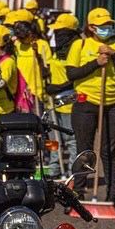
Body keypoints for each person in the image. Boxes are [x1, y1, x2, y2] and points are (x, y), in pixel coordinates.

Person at [66, 8, 115, 210]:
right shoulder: (79, 45)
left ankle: (112, 196)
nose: (106, 28)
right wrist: (95, 63)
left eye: (109, 24)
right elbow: (72, 74)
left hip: (112, 103)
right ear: (91, 26)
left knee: (109, 150)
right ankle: (77, 193)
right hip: (86, 103)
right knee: (85, 150)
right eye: (102, 25)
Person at [46, 13, 79, 178]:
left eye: (62, 33)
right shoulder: (57, 49)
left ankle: (73, 172)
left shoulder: (78, 48)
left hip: (69, 102)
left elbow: (76, 76)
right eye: (56, 33)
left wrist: (58, 88)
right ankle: (55, 167)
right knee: (54, 139)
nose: (58, 36)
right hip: (53, 102)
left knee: (71, 140)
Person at [7, 9, 51, 114]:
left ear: (30, 33)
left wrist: (37, 54)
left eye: (24, 38)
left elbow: (46, 71)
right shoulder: (16, 45)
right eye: (20, 38)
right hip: (19, 92)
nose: (22, 40)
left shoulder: (42, 45)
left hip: (36, 92)